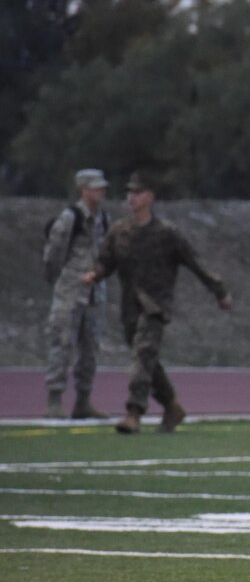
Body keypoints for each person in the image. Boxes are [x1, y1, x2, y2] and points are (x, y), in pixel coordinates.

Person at [81, 172, 232, 434]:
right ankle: (172, 405)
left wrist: (219, 291)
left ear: (149, 197)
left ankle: (133, 413)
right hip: (130, 307)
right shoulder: (120, 231)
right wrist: (95, 274)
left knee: (142, 355)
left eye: (137, 193)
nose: (132, 198)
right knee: (147, 360)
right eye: (129, 193)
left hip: (156, 306)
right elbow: (106, 261)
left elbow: (195, 262)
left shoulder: (166, 234)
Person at [42, 168, 113, 419]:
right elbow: (54, 253)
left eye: (101, 187)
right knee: (62, 344)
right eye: (95, 187)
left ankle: (83, 401)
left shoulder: (103, 218)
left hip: (95, 293)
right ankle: (54, 400)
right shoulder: (69, 218)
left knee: (90, 349)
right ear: (83, 189)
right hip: (71, 291)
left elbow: (106, 252)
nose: (100, 192)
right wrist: (58, 281)